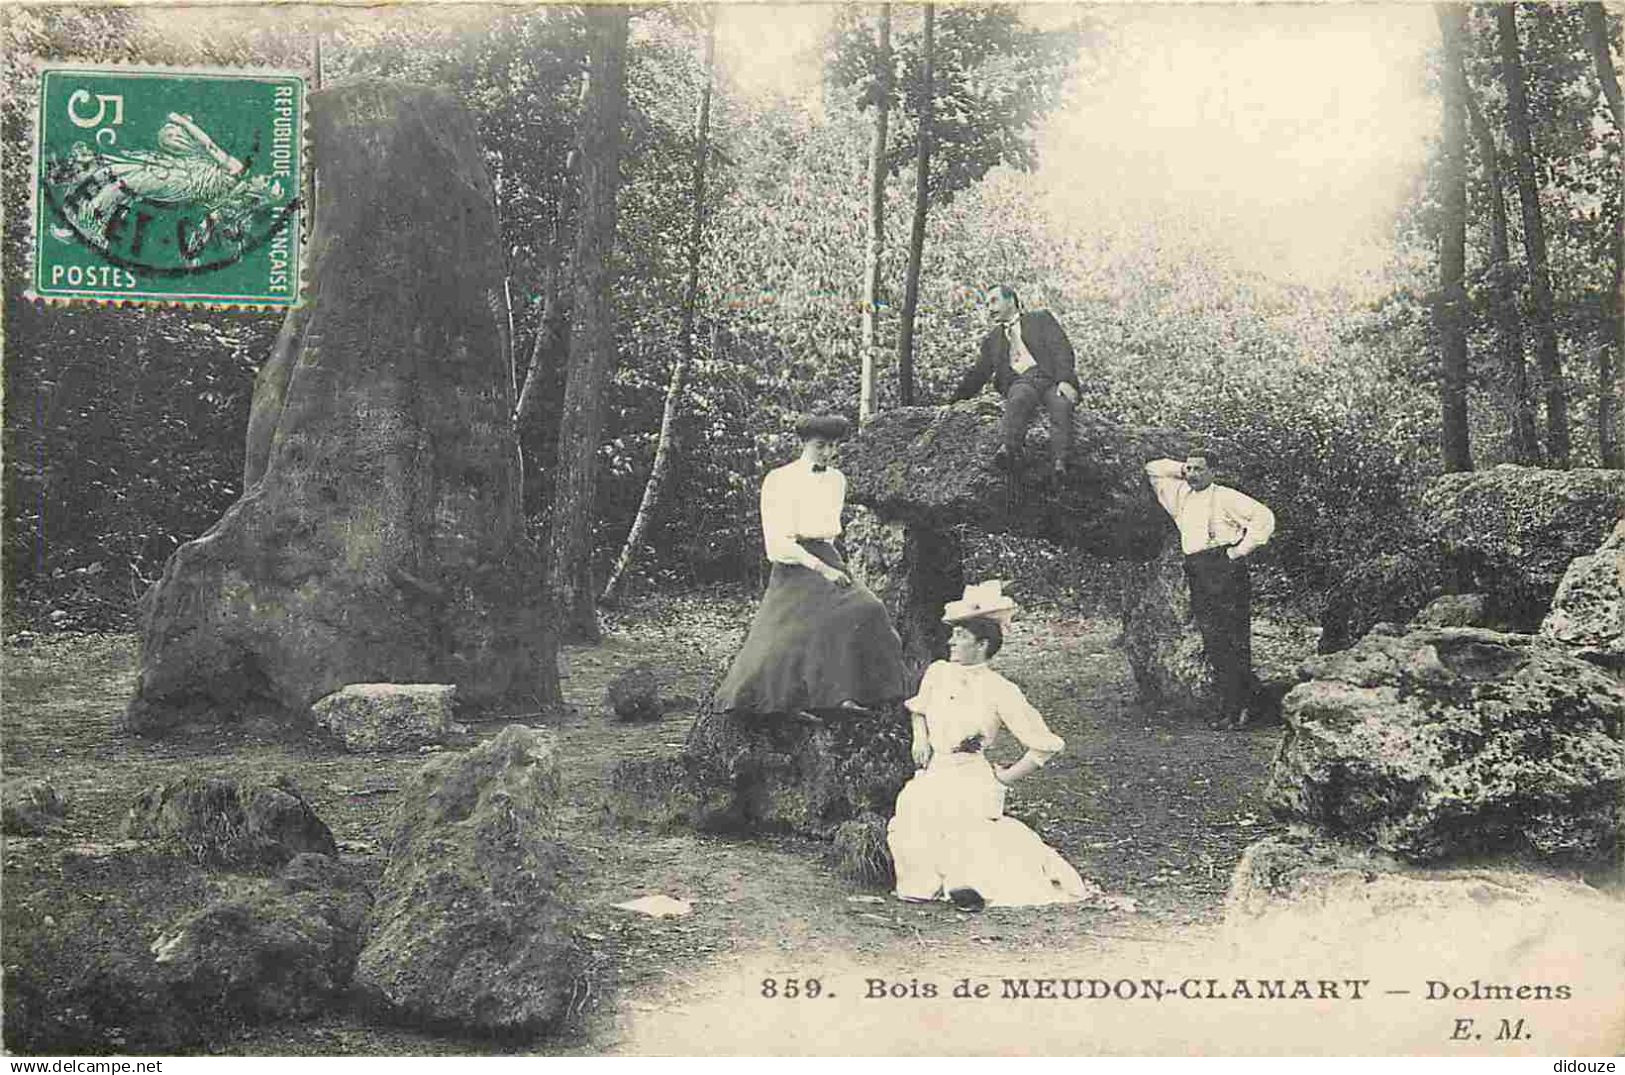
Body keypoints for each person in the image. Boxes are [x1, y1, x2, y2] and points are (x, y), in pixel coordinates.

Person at [887, 581, 1097, 910]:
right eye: (953, 634)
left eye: (961, 636)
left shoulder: (1001, 690)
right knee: (915, 817)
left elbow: (1044, 744)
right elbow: (919, 708)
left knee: (967, 831)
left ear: (982, 644)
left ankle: (966, 887)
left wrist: (1006, 778)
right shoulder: (938, 672)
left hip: (971, 776)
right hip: (934, 770)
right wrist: (921, 737)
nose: (951, 641)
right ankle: (929, 885)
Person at [713, 414, 909, 719]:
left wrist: (833, 564)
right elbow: (778, 541)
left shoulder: (836, 479)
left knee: (869, 609)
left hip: (828, 555)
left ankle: (858, 694)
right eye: (821, 446)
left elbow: (828, 530)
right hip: (794, 563)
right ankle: (792, 701)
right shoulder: (780, 479)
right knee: (800, 632)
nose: (828, 454)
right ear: (803, 443)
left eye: (833, 447)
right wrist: (821, 569)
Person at [1144, 449, 1276, 730]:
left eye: (1199, 469)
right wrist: (1182, 469)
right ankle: (1228, 708)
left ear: (1213, 471)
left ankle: (1245, 709)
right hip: (1197, 568)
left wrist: (1239, 552)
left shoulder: (1226, 496)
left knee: (1234, 638)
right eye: (1190, 469)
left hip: (1224, 566)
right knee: (1213, 640)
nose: (1193, 474)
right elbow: (1154, 468)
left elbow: (1264, 517)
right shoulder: (1179, 495)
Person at [952, 285, 1081, 478]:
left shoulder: (1040, 319)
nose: (989, 308)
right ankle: (1009, 450)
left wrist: (1065, 380)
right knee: (1018, 397)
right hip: (1023, 382)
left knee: (1061, 405)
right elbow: (978, 374)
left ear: (1011, 300)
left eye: (994, 301)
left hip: (1050, 378)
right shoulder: (993, 339)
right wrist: (954, 402)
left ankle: (1060, 463)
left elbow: (1061, 349)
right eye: (986, 304)